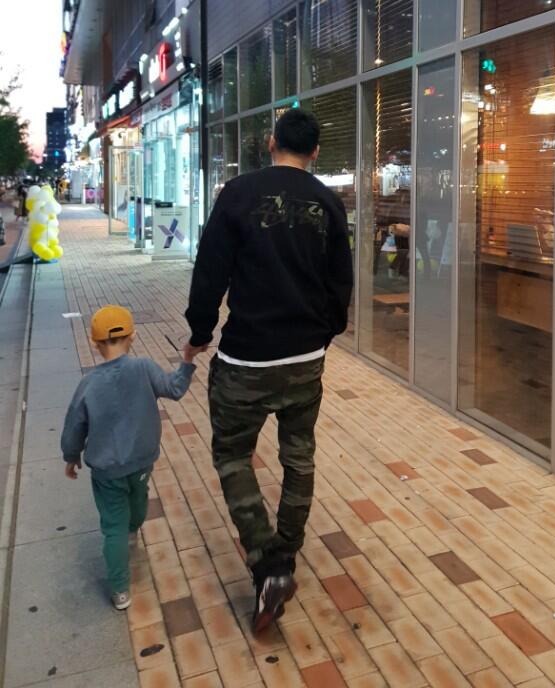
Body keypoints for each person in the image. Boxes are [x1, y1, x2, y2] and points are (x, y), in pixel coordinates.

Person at [184, 108, 353, 633]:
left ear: (271, 141)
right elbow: (340, 282)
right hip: (305, 358)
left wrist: (199, 332)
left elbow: (210, 271)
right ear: (315, 151)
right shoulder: (328, 202)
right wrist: (323, 334)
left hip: (246, 358)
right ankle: (287, 551)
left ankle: (268, 562)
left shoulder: (238, 193)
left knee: (233, 454)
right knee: (298, 455)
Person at [61, 305, 195, 610]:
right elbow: (175, 388)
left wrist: (71, 455)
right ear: (132, 336)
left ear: (94, 344)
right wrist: (187, 361)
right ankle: (133, 531)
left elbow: (74, 425)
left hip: (107, 470)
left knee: (113, 527)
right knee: (138, 500)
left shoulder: (89, 384)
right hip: (142, 462)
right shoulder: (144, 368)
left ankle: (120, 590)